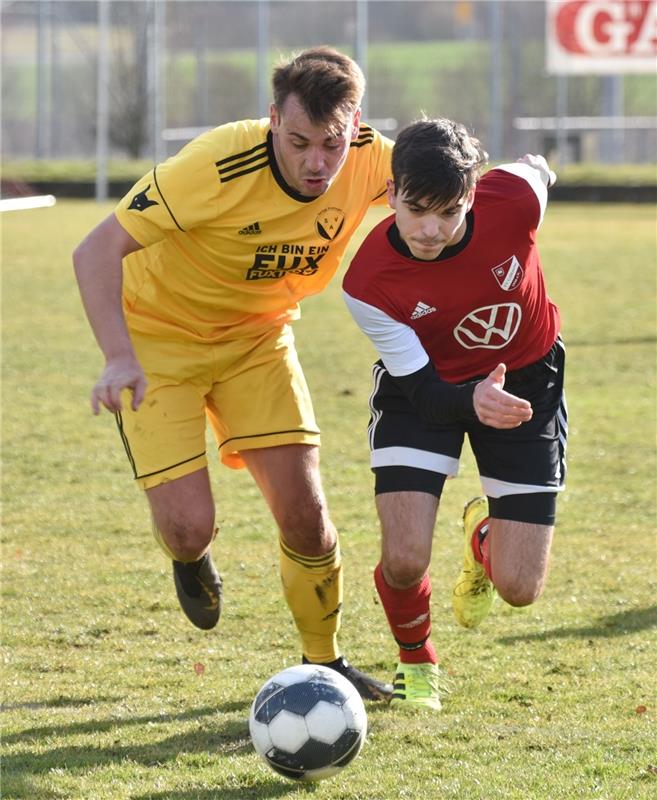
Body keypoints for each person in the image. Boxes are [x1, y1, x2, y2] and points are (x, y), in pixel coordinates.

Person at [72, 47, 395, 701]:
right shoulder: (217, 162)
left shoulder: (373, 157)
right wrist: (118, 355)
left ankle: (323, 664)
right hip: (157, 343)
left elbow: (449, 199)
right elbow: (95, 248)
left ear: (354, 125)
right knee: (188, 527)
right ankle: (189, 561)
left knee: (306, 516)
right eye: (298, 141)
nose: (315, 162)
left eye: (331, 145)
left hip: (258, 340)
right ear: (272, 118)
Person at [342, 118, 567, 710]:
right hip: (427, 389)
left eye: (449, 211)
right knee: (404, 556)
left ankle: (482, 537)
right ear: (389, 195)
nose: (431, 230)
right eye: (415, 209)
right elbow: (419, 388)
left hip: (526, 382)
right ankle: (417, 663)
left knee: (519, 589)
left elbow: (537, 170)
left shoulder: (514, 199)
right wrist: (470, 399)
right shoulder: (367, 282)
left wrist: (538, 168)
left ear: (472, 194)